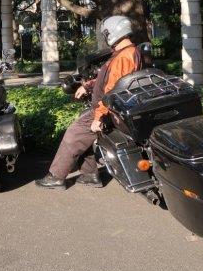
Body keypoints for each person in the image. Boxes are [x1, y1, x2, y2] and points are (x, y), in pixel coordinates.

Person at [35, 15, 143, 190]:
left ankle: (56, 177)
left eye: (106, 33)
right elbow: (110, 79)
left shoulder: (124, 56)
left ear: (114, 32)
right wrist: (89, 86)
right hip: (108, 107)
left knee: (73, 134)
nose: (106, 37)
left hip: (108, 110)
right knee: (82, 134)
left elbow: (112, 91)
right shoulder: (127, 52)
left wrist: (99, 117)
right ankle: (90, 175)